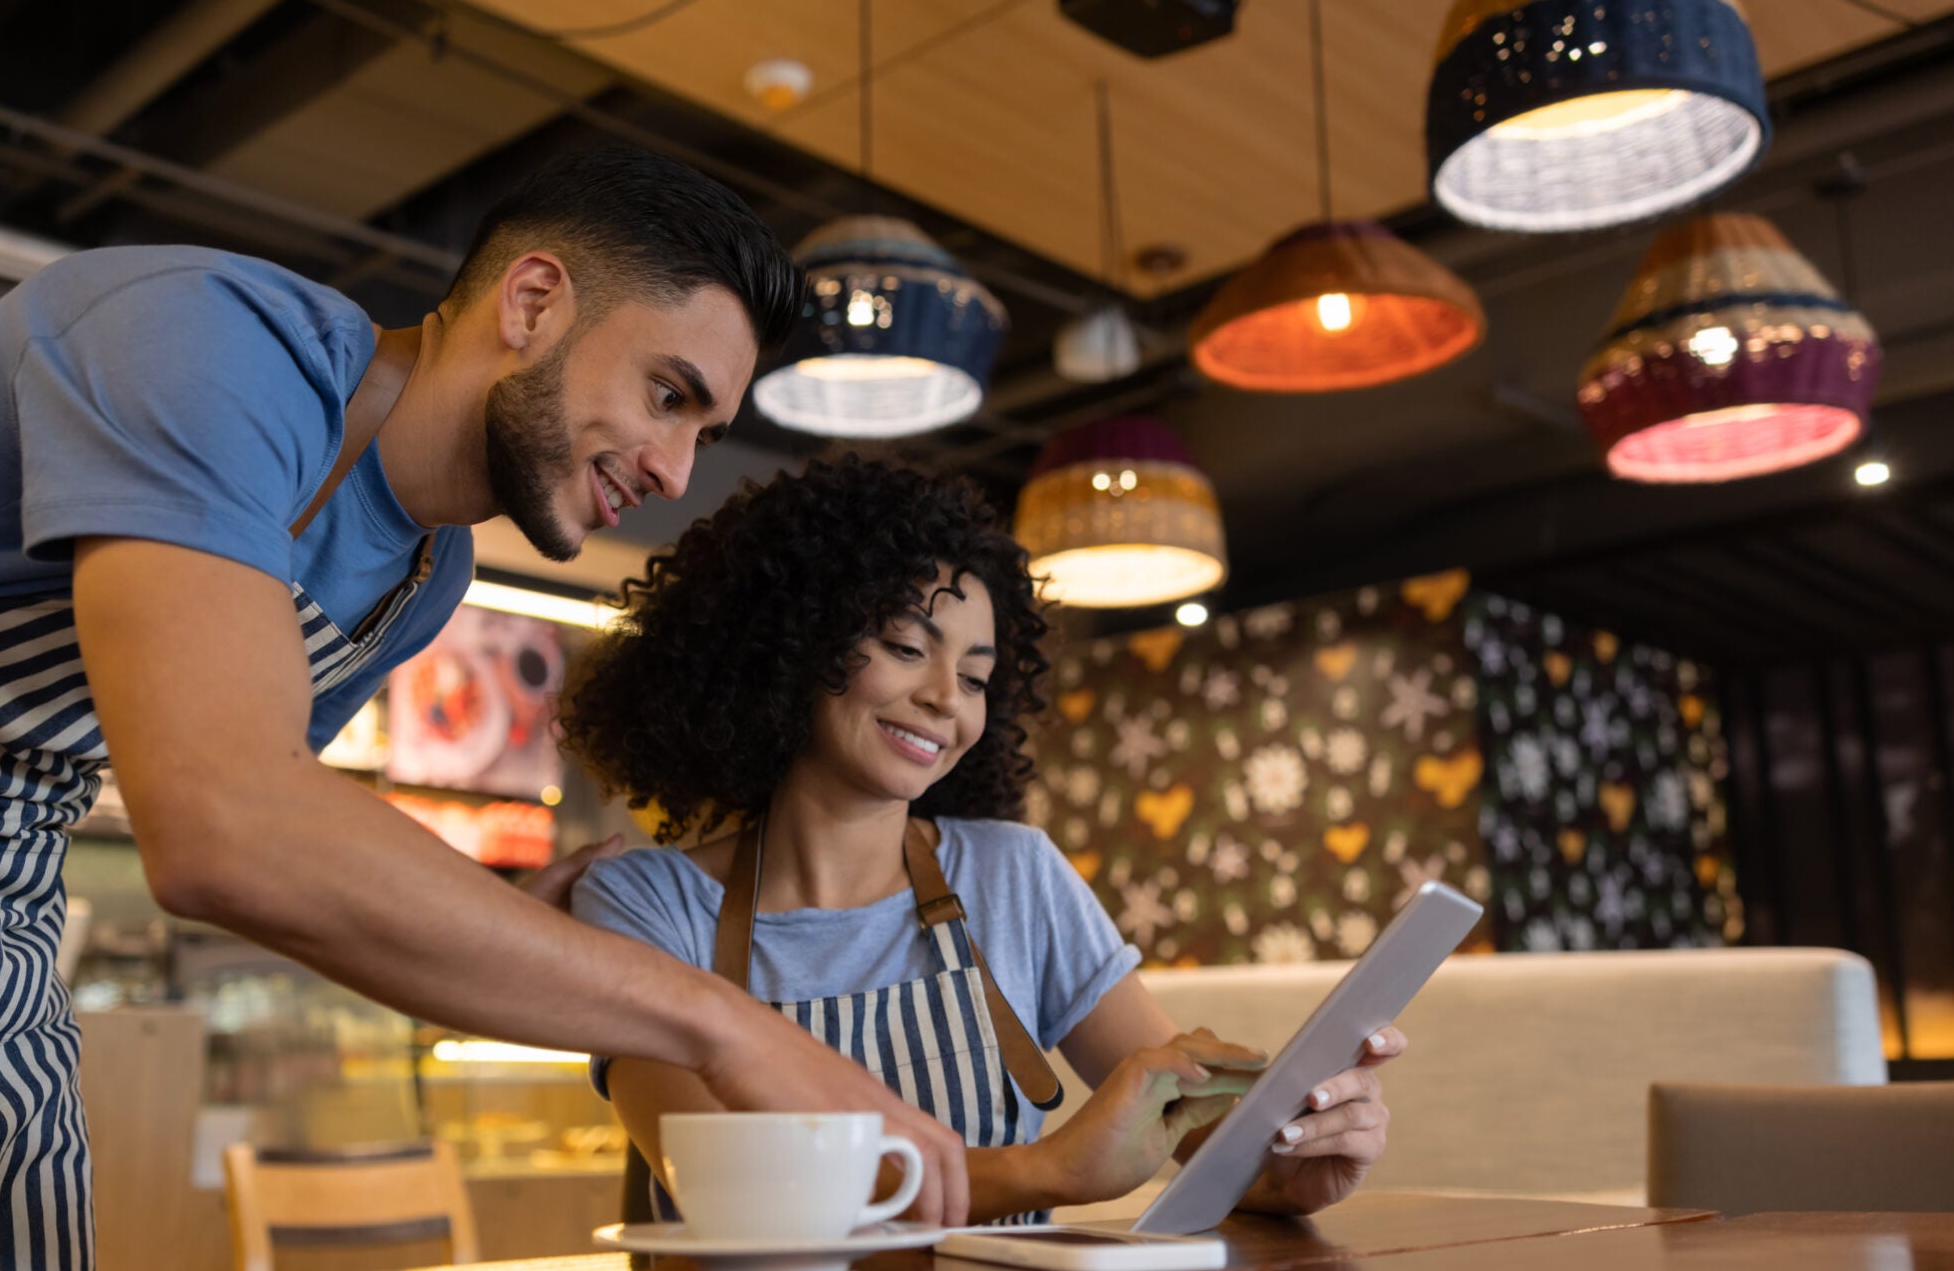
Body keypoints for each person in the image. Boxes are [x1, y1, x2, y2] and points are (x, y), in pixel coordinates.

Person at [0, 146, 970, 1271]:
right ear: (531, 301)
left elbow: (284, 848)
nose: (670, 470)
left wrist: (517, 909)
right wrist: (723, 1024)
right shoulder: (210, 343)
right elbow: (225, 829)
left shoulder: (427, 575)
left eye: (704, 436)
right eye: (669, 396)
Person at [561, 457, 1405, 1225]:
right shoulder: (644, 905)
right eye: (904, 647)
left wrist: (1286, 1172)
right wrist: (1046, 1171)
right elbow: (729, 1195)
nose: (945, 699)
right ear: (787, 646)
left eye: (975, 677)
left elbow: (1195, 1143)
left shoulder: (1015, 875)